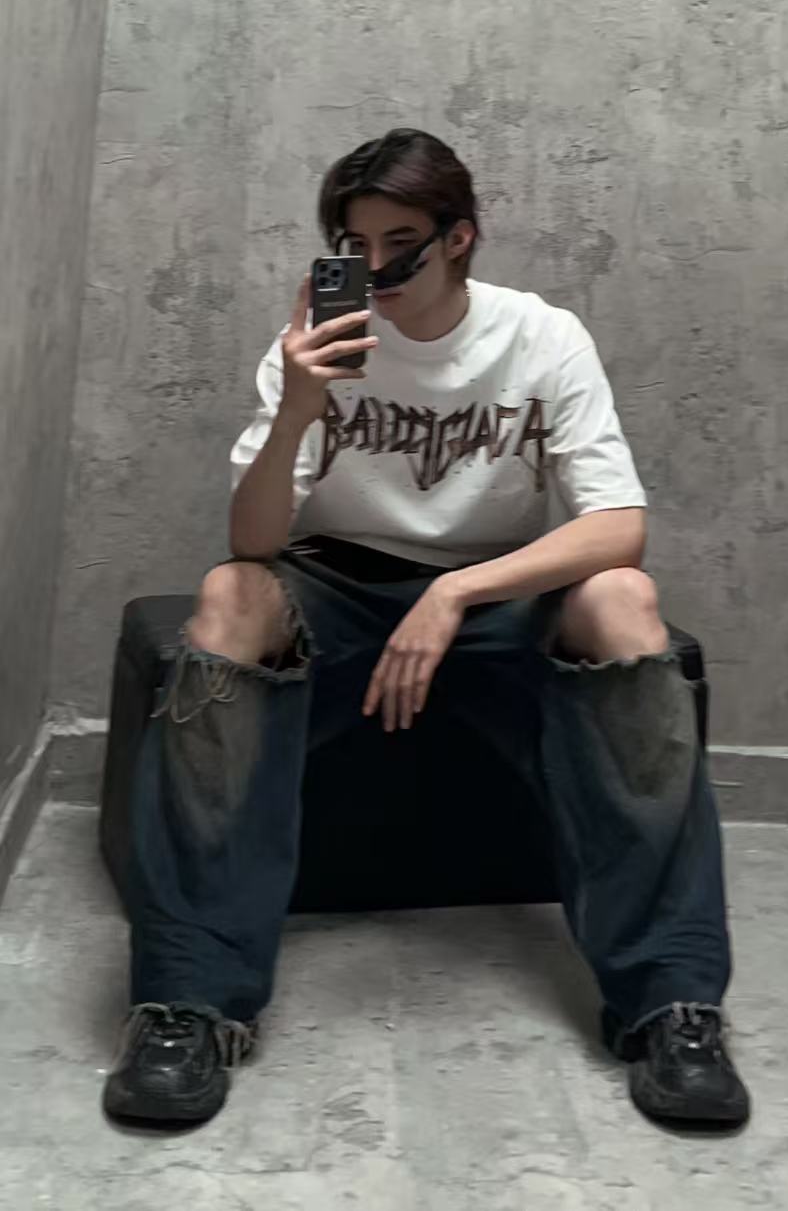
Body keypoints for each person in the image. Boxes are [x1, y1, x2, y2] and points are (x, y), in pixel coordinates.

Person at [104, 128, 750, 1131]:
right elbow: (255, 539)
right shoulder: (314, 346)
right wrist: (301, 404)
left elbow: (618, 524)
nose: (373, 269)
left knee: (623, 599)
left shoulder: (540, 336)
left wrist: (452, 595)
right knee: (228, 596)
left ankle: (671, 1006)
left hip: (495, 594)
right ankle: (188, 1003)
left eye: (397, 243)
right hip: (336, 583)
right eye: (351, 245)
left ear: (458, 238)